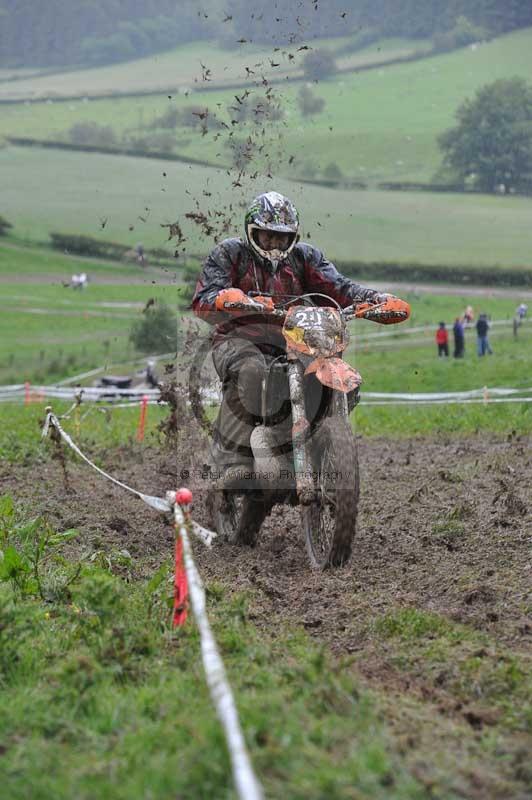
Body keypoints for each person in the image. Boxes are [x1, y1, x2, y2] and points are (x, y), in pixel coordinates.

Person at [192, 191, 394, 478]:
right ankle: (230, 459)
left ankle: (316, 440)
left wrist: (374, 298)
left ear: (293, 237)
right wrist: (228, 298)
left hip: (293, 340)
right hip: (238, 340)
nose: (275, 244)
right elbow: (203, 300)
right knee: (251, 371)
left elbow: (339, 288)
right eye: (268, 236)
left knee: (338, 377)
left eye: (282, 237)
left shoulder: (305, 258)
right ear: (252, 232)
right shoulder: (230, 254)